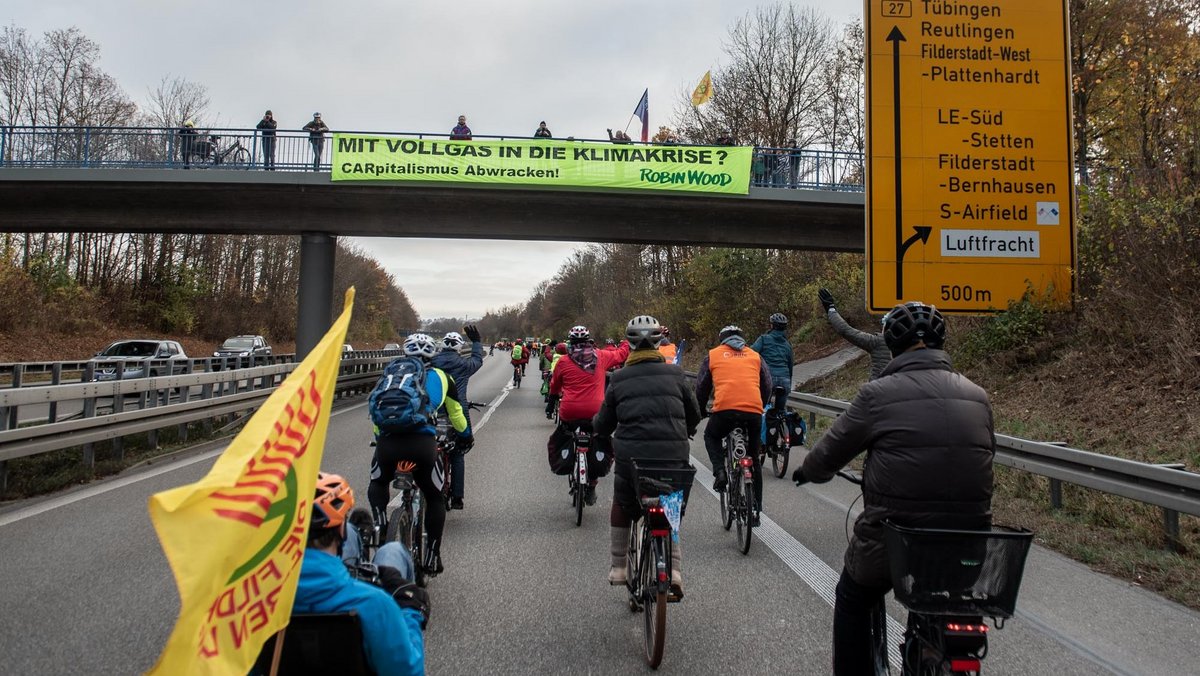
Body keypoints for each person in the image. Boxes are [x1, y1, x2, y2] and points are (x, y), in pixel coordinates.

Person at [792, 301, 994, 676]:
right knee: (949, 594)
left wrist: (809, 471)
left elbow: (828, 454)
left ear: (892, 346)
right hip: (968, 545)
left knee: (852, 598)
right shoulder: (977, 396)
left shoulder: (877, 394)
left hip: (894, 542)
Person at [593, 315, 700, 595]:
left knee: (622, 501)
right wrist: (685, 430)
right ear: (657, 344)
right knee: (670, 506)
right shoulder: (676, 374)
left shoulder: (618, 378)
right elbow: (694, 414)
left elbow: (604, 424)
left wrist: (599, 430)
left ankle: (619, 566)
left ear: (629, 345)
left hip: (632, 459)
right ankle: (674, 570)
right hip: (673, 456)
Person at [294, 472, 429, 676]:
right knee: (392, 551)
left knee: (357, 536)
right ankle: (358, 542)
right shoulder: (376, 605)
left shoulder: (254, 606)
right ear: (339, 532)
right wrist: (410, 611)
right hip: (353, 595)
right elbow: (408, 670)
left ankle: (358, 538)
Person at [368, 333, 472, 577]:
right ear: (432, 354)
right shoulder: (442, 377)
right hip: (421, 445)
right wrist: (466, 435)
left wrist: (379, 435)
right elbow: (456, 414)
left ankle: (380, 526)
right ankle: (433, 554)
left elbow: (376, 411)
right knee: (435, 497)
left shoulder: (391, 376)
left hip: (388, 443)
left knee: (378, 481)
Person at [694, 324, 770, 521]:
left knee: (711, 435)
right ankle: (757, 509)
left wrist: (701, 410)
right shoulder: (755, 356)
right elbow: (767, 384)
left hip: (725, 411)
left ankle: (720, 472)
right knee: (754, 458)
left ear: (722, 339)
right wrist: (760, 404)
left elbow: (701, 388)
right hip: (753, 412)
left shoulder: (714, 355)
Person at [547, 325, 630, 504]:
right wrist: (625, 340)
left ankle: (571, 465)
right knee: (598, 437)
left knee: (565, 434)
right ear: (589, 340)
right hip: (596, 411)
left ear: (570, 342)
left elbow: (554, 386)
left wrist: (552, 401)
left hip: (570, 411)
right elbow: (621, 355)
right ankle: (591, 485)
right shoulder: (601, 356)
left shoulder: (563, 361)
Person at [431, 326, 483, 511]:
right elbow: (478, 360)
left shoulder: (432, 361)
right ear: (459, 348)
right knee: (457, 454)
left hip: (433, 411)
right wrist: (477, 342)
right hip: (456, 411)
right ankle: (457, 497)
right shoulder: (463, 364)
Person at [818, 288, 892, 380]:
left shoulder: (878, 342)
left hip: (877, 390)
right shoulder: (912, 343)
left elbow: (845, 330)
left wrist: (831, 308)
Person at [751, 312, 794, 411]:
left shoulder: (763, 339)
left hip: (768, 378)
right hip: (785, 380)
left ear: (771, 326)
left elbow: (751, 354)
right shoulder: (787, 345)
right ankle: (781, 423)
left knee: (762, 408)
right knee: (780, 411)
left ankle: (764, 421)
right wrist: (789, 384)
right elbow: (790, 365)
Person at [543, 342, 567, 419]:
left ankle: (549, 412)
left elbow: (546, 354)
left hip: (553, 375)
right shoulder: (569, 358)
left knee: (552, 393)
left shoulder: (554, 356)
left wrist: (548, 347)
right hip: (565, 377)